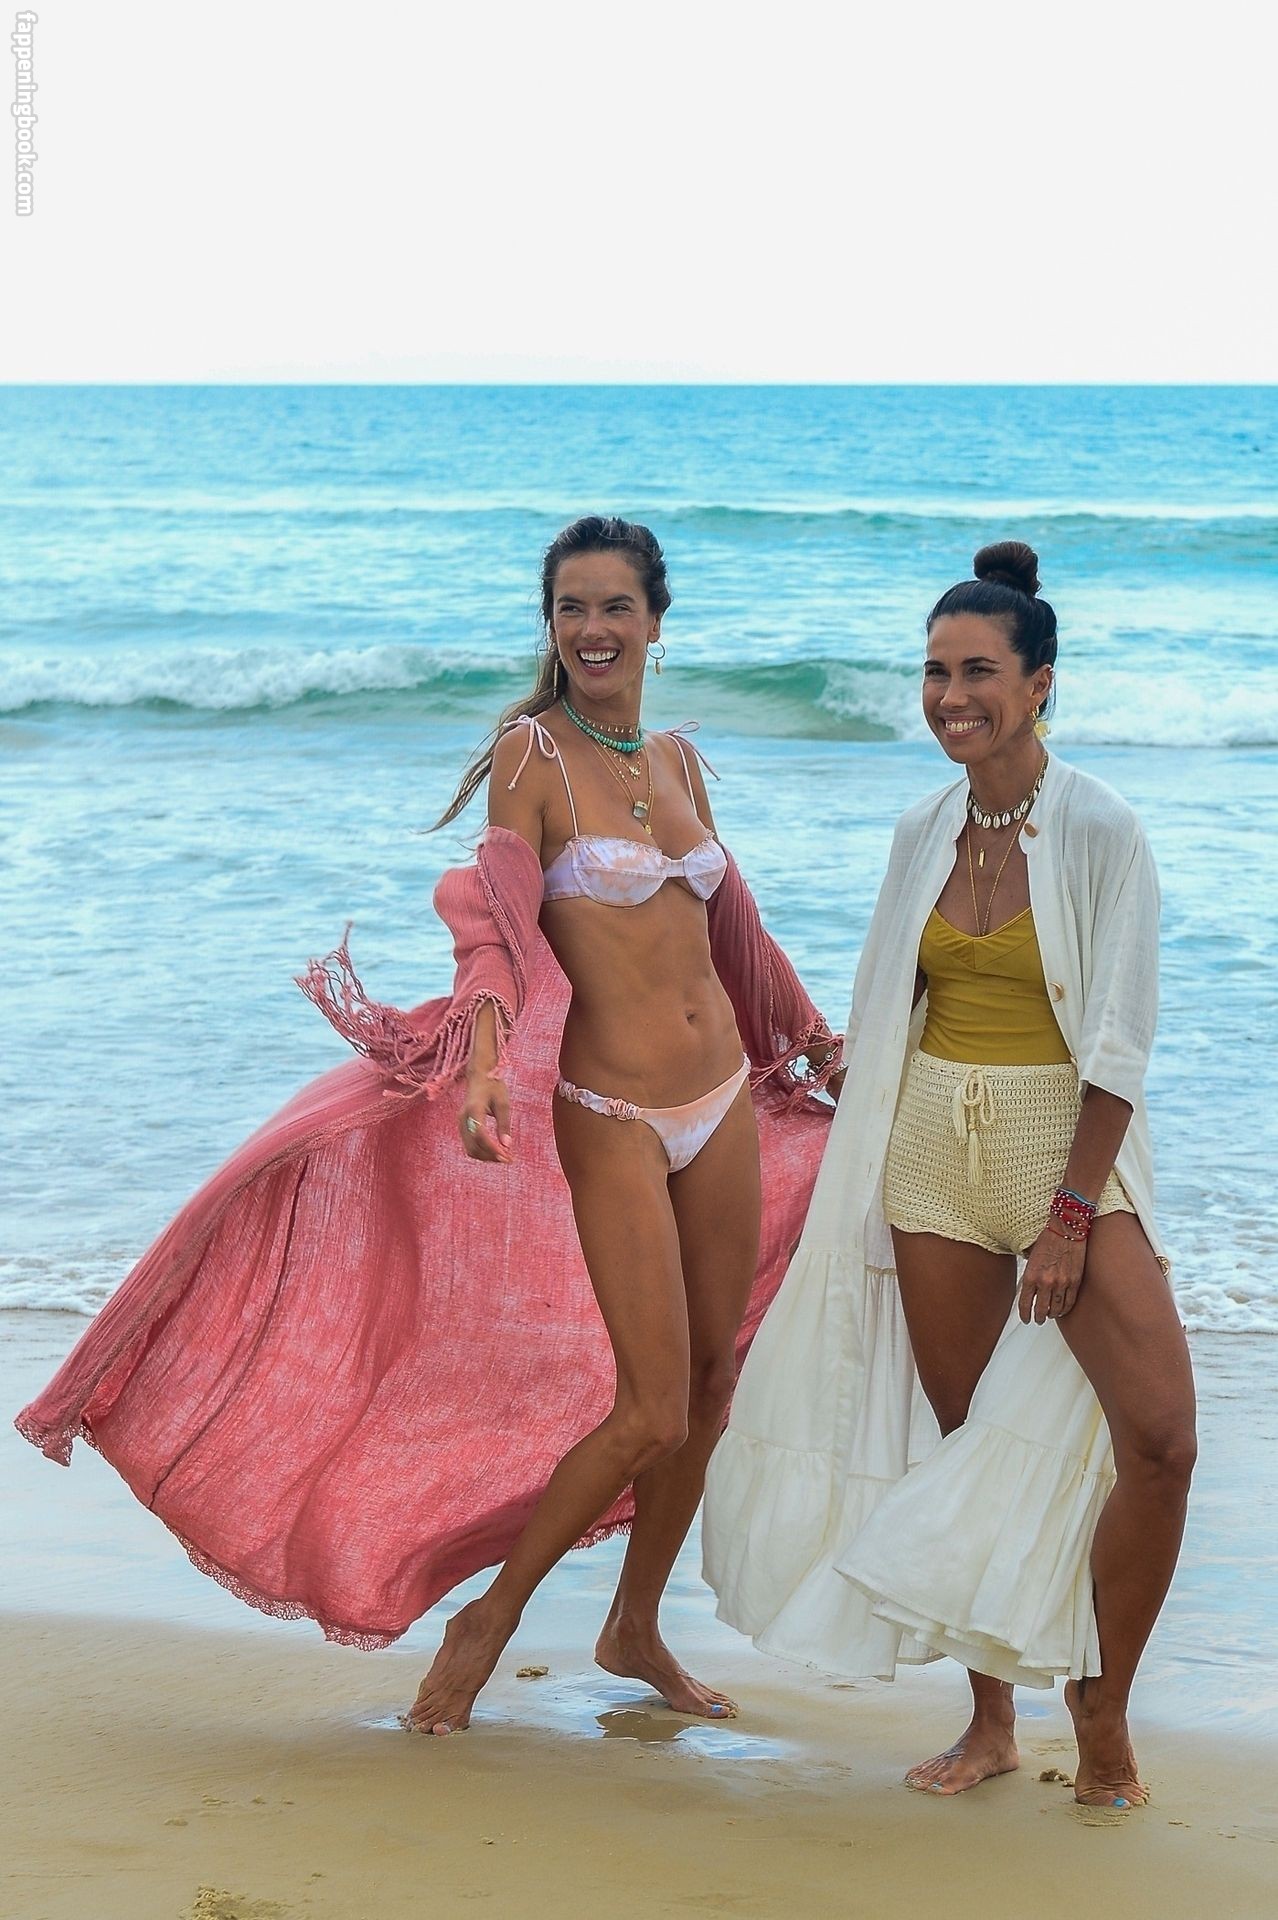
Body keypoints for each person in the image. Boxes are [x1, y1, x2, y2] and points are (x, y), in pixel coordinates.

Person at [17, 514, 839, 1737]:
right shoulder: (531, 755)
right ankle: (487, 1622)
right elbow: (497, 927)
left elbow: (736, 936)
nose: (594, 628)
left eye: (615, 606)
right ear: (549, 624)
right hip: (613, 1110)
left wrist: (819, 1041)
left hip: (720, 1098)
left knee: (713, 1385)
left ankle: (635, 1624)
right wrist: (486, 1060)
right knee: (652, 1409)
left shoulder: (675, 760)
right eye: (571, 607)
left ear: (657, 622)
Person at [704, 541, 1196, 1811]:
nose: (950, 696)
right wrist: (820, 1065)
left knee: (1158, 1440)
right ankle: (990, 1724)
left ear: (1039, 684)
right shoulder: (921, 830)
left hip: (1060, 1153)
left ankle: (1103, 1716)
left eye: (978, 671)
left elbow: (1121, 1038)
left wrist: (1073, 1214)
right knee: (963, 1441)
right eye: (934, 672)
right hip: (930, 1154)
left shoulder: (1102, 827)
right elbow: (893, 1004)